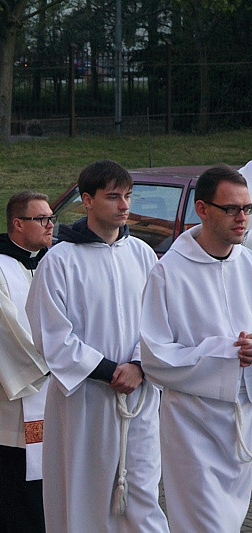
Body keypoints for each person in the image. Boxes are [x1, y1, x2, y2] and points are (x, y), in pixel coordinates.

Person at [26, 160, 168, 531]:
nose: (124, 206)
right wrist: (110, 371)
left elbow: (159, 323)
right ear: (87, 200)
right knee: (86, 496)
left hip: (138, 397)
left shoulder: (142, 255)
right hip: (86, 402)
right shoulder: (59, 260)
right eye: (113, 197)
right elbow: (51, 334)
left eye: (128, 196)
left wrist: (138, 365)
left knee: (141, 495)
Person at [140, 165, 252, 532]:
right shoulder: (169, 271)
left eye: (248, 209)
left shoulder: (249, 265)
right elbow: (155, 357)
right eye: (232, 209)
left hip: (242, 422)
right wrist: (228, 353)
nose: (242, 219)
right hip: (193, 428)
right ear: (202, 209)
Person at [0, 191, 53, 532]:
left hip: (50, 388)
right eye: (41, 219)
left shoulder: (50, 261)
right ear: (18, 224)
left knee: (26, 475)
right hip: (15, 390)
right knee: (21, 469)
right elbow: (3, 333)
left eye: (50, 218)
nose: (49, 225)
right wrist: (60, 365)